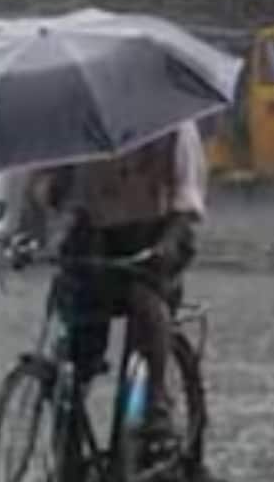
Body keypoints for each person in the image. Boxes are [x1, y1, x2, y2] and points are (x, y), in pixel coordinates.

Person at [27, 120, 208, 466]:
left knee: (145, 303)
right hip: (95, 237)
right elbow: (41, 188)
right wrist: (54, 190)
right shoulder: (73, 126)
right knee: (75, 341)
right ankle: (68, 447)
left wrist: (165, 245)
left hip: (158, 234)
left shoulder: (174, 125)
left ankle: (154, 408)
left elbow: (188, 201)